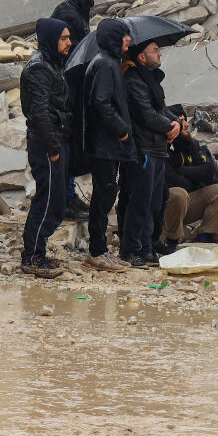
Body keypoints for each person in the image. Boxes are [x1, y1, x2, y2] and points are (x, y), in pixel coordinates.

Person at [76, 16, 134, 271]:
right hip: (104, 143)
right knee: (104, 195)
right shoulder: (105, 64)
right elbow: (101, 103)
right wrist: (121, 131)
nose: (129, 39)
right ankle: (97, 251)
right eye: (124, 35)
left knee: (106, 193)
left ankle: (100, 249)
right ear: (113, 38)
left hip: (105, 143)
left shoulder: (108, 63)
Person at [19, 18, 72, 278]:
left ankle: (37, 251)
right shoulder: (39, 68)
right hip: (46, 142)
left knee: (57, 200)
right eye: (63, 38)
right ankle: (31, 256)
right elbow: (39, 111)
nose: (69, 43)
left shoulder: (51, 63)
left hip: (54, 138)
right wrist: (52, 147)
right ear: (52, 39)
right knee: (49, 200)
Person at [119, 37, 179, 268]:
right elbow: (146, 114)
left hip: (156, 147)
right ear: (141, 56)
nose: (160, 54)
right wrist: (169, 126)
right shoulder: (133, 80)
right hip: (142, 147)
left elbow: (160, 108)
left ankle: (147, 247)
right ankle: (131, 249)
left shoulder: (149, 79)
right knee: (140, 202)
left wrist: (175, 122)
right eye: (155, 51)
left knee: (154, 201)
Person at [51, 0, 99, 221]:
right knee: (67, 141)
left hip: (74, 87)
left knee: (73, 142)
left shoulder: (76, 12)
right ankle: (65, 197)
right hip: (67, 89)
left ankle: (68, 194)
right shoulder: (68, 14)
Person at [162, 110, 218, 247]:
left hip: (189, 203)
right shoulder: (162, 147)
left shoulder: (191, 145)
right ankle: (171, 240)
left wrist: (188, 147)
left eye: (185, 120)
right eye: (180, 121)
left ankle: (204, 236)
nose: (185, 125)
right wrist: (194, 176)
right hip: (167, 207)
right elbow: (174, 180)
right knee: (179, 193)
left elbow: (208, 172)